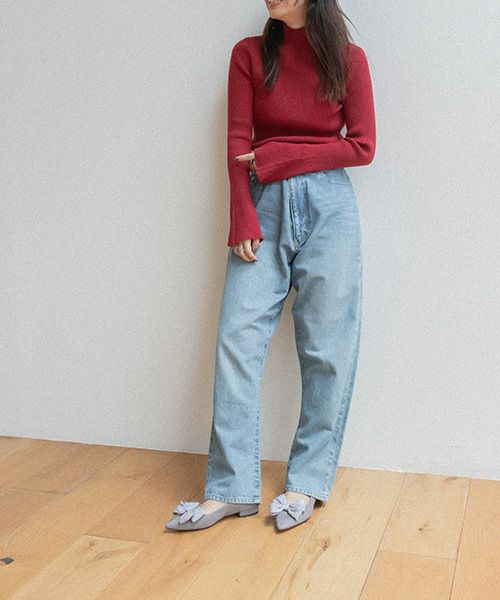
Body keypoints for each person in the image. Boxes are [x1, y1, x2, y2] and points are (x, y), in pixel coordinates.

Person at [166, 0, 376, 532]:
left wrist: (281, 156)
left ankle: (306, 481)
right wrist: (241, 213)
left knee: (328, 347)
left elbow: (363, 146)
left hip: (330, 209)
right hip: (262, 206)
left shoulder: (348, 60)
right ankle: (230, 487)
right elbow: (238, 142)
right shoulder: (250, 55)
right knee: (237, 339)